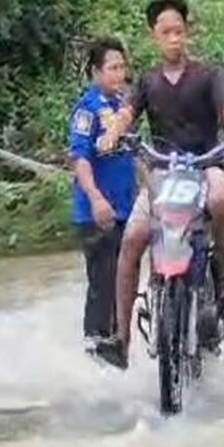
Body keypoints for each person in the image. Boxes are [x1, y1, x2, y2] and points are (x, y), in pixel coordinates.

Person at [91, 0, 224, 370]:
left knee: (223, 199)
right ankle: (122, 340)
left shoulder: (208, 76)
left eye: (179, 31)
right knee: (131, 239)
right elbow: (126, 114)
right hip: (164, 173)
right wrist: (111, 134)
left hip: (205, 165)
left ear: (187, 32)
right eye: (166, 32)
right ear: (154, 36)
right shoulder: (146, 81)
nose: (174, 38)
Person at [68, 37, 137, 352]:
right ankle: (96, 348)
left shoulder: (123, 108)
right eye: (112, 68)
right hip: (98, 212)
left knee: (124, 281)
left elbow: (136, 154)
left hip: (125, 209)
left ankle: (117, 346)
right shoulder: (87, 109)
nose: (118, 74)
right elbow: (79, 158)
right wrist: (96, 198)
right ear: (96, 72)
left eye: (122, 67)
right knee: (103, 283)